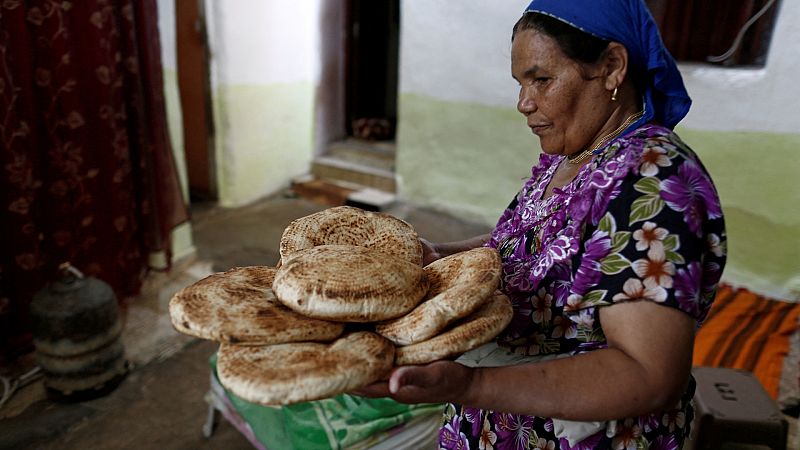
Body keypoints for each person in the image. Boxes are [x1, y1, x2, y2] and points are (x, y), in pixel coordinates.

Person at [355, 0, 727, 449]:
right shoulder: (571, 157)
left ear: (612, 67)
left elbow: (645, 373)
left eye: (542, 80)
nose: (523, 103)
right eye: (520, 83)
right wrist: (438, 255)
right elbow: (531, 244)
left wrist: (469, 386)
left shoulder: (651, 180)